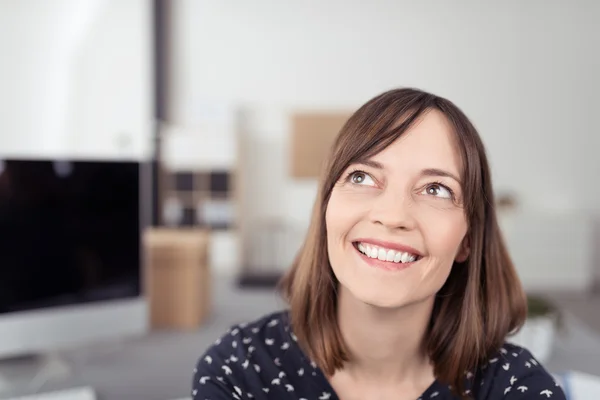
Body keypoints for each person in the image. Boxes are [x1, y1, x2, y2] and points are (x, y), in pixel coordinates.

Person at [192, 88, 566, 400]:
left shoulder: (516, 385)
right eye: (362, 177)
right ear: (326, 208)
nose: (392, 216)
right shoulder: (239, 370)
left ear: (467, 240)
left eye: (436, 189)